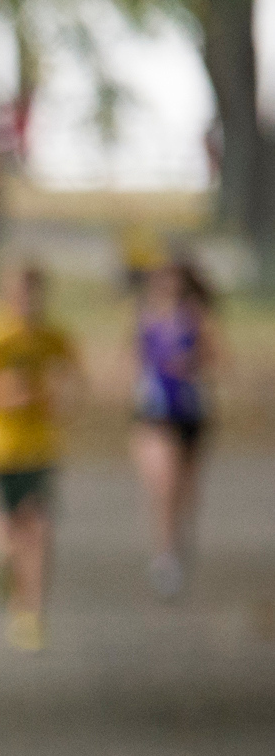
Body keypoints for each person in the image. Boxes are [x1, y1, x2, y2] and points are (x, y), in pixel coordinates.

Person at [0, 258, 84, 652]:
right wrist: (2, 397)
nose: (26, 300)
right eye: (18, 291)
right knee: (6, 528)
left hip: (40, 445)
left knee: (39, 527)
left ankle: (30, 612)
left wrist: (62, 403)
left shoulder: (51, 334)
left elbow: (75, 379)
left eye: (33, 291)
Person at [130, 254, 219, 601]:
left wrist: (193, 362)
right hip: (154, 413)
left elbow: (219, 358)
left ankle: (177, 544)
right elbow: (131, 359)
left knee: (185, 491)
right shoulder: (145, 317)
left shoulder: (197, 319)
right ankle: (164, 554)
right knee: (162, 485)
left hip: (191, 412)